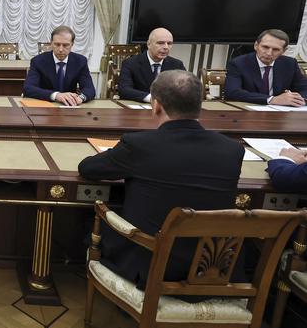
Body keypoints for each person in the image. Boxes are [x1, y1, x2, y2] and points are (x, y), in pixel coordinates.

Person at [78, 70, 244, 289]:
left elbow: (88, 168)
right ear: (200, 104)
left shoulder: (139, 145)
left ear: (156, 105)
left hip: (150, 266)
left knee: (84, 221)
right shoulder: (232, 150)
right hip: (212, 268)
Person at [224, 29, 307, 106]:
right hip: (248, 110)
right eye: (265, 47)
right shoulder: (238, 63)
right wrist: (272, 99)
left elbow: (304, 88)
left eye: (276, 49)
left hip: (281, 113)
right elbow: (233, 92)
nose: (269, 53)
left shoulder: (289, 63)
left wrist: (297, 98)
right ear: (256, 45)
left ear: (284, 51)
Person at [23, 25, 96, 105]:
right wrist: (56, 95)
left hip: (70, 107)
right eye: (57, 44)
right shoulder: (38, 61)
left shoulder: (80, 61)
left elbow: (89, 89)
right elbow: (28, 88)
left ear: (72, 44)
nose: (61, 49)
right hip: (45, 106)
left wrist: (80, 98)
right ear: (51, 43)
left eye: (65, 45)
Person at [117, 27, 186, 102]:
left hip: (168, 109)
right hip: (139, 108)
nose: (166, 47)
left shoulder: (177, 65)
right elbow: (124, 90)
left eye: (169, 43)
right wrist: (151, 98)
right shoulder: (130, 63)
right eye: (160, 43)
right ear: (148, 44)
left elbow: (186, 89)